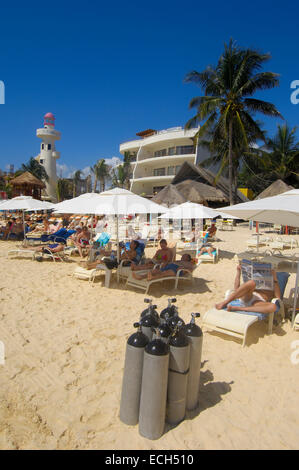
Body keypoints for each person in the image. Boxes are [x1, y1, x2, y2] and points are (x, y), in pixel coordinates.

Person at [215, 264, 281, 315]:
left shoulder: (274, 281)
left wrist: (275, 278)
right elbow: (236, 289)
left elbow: (278, 298)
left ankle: (239, 308)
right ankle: (225, 302)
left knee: (273, 307)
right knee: (252, 283)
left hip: (258, 303)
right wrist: (238, 272)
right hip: (249, 296)